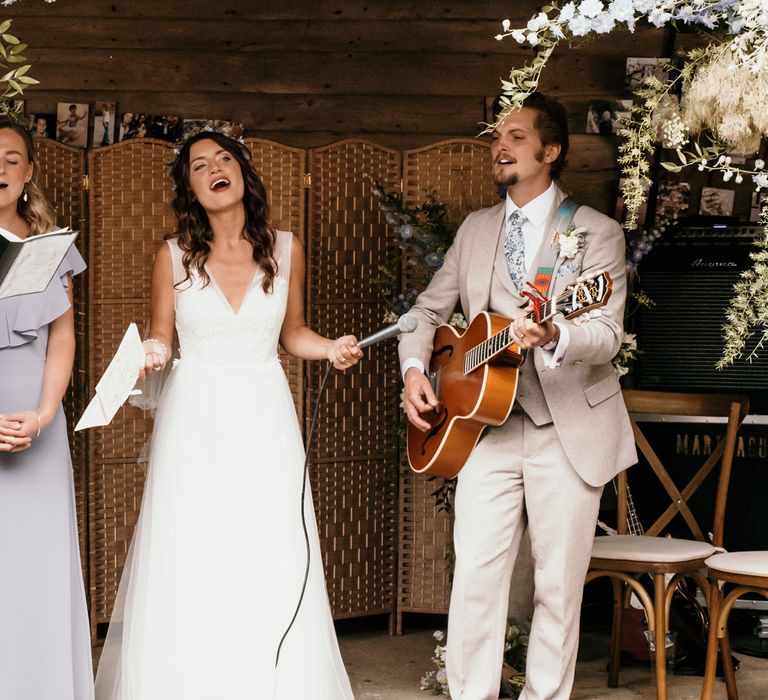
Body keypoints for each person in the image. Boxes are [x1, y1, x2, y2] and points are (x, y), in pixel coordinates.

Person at [95, 131, 361, 699]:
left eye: (224, 159)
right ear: (189, 187)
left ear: (242, 171)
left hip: (266, 414)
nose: (215, 168)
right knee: (195, 547)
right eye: (199, 165)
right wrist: (151, 353)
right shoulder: (171, 255)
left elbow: (293, 335)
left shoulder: (286, 249)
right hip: (195, 419)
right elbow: (164, 337)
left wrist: (331, 347)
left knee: (268, 546)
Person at [399, 92, 636, 699]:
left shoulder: (595, 232)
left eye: (514, 136)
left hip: (568, 428)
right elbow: (427, 311)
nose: (498, 146)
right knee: (476, 577)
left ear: (550, 151)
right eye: (495, 137)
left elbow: (606, 334)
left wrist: (556, 330)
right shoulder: (477, 230)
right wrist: (413, 372)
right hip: (485, 428)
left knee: (557, 584)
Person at [0, 118, 94, 699]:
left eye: (11, 159)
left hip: (39, 424)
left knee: (38, 566)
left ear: (30, 171)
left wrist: (43, 412)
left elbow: (63, 338)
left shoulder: (49, 248)